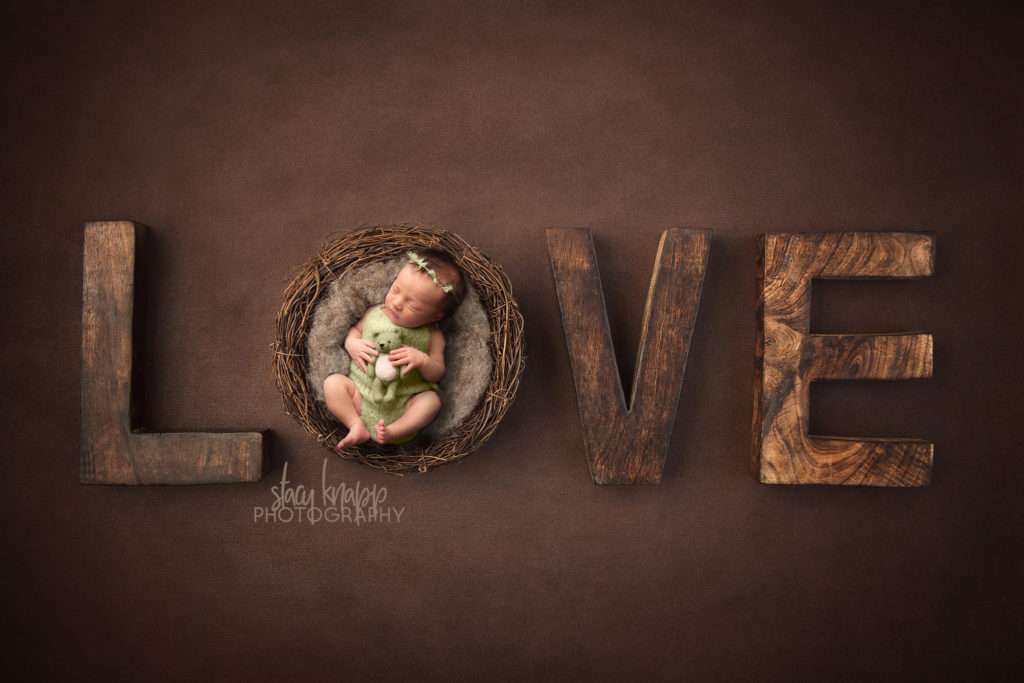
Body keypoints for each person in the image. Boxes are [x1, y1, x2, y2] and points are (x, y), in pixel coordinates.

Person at [323, 250, 465, 447]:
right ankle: (356, 425)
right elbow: (355, 331)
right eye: (396, 290)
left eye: (413, 306)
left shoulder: (433, 335)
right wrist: (352, 344)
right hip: (361, 396)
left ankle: (393, 431)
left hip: (404, 404)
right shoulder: (374, 314)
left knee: (431, 401)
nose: (397, 303)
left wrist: (423, 361)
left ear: (436, 316)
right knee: (333, 383)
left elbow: (437, 373)